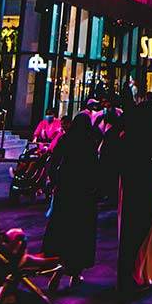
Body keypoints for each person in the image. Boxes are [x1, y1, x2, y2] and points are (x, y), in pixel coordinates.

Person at [117, 87, 152, 291]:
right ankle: (137, 274)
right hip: (150, 187)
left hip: (130, 185)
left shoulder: (129, 136)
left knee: (130, 231)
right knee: (144, 233)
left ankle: (133, 274)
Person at [42, 113, 101, 283]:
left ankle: (57, 267)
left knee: (62, 228)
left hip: (66, 189)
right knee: (81, 233)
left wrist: (54, 181)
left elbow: (54, 162)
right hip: (85, 194)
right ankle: (75, 272)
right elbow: (96, 168)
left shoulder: (65, 140)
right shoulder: (90, 142)